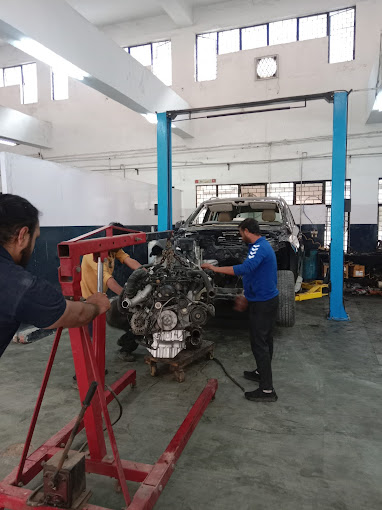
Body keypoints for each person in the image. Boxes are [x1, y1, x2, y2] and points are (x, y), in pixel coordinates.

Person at [0, 194, 110, 359]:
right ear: (22, 236)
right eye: (35, 238)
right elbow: (76, 315)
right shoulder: (18, 286)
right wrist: (97, 306)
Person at [202, 217, 279, 402]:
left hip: (263, 303)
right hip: (263, 299)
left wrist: (214, 268)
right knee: (265, 341)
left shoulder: (260, 247)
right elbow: (254, 274)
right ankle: (262, 372)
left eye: (240, 232)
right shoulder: (258, 247)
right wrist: (245, 294)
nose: (240, 236)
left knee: (260, 343)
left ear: (246, 230)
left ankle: (267, 390)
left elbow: (245, 268)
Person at [80, 223, 141, 361]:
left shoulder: (113, 248)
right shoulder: (93, 254)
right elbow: (108, 280)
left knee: (134, 323)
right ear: (112, 239)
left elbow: (129, 260)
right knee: (91, 338)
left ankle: (124, 346)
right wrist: (126, 296)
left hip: (100, 298)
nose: (122, 246)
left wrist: (146, 271)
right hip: (87, 301)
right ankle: (87, 375)